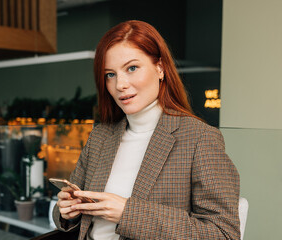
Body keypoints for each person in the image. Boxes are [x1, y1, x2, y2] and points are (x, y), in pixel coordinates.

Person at [53, 20, 240, 240]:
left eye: (132, 68)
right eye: (110, 74)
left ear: (160, 68)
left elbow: (223, 233)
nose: (120, 84)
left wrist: (127, 213)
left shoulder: (199, 138)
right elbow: (68, 217)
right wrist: (67, 211)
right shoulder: (101, 136)